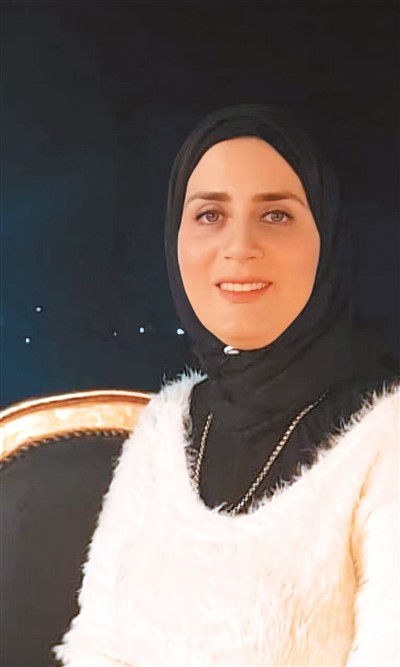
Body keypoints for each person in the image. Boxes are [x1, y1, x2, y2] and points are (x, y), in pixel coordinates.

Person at [53, 104, 399, 666]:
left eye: (276, 215)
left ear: (327, 237)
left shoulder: (386, 435)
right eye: (210, 214)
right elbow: (97, 641)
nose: (239, 246)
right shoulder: (168, 424)